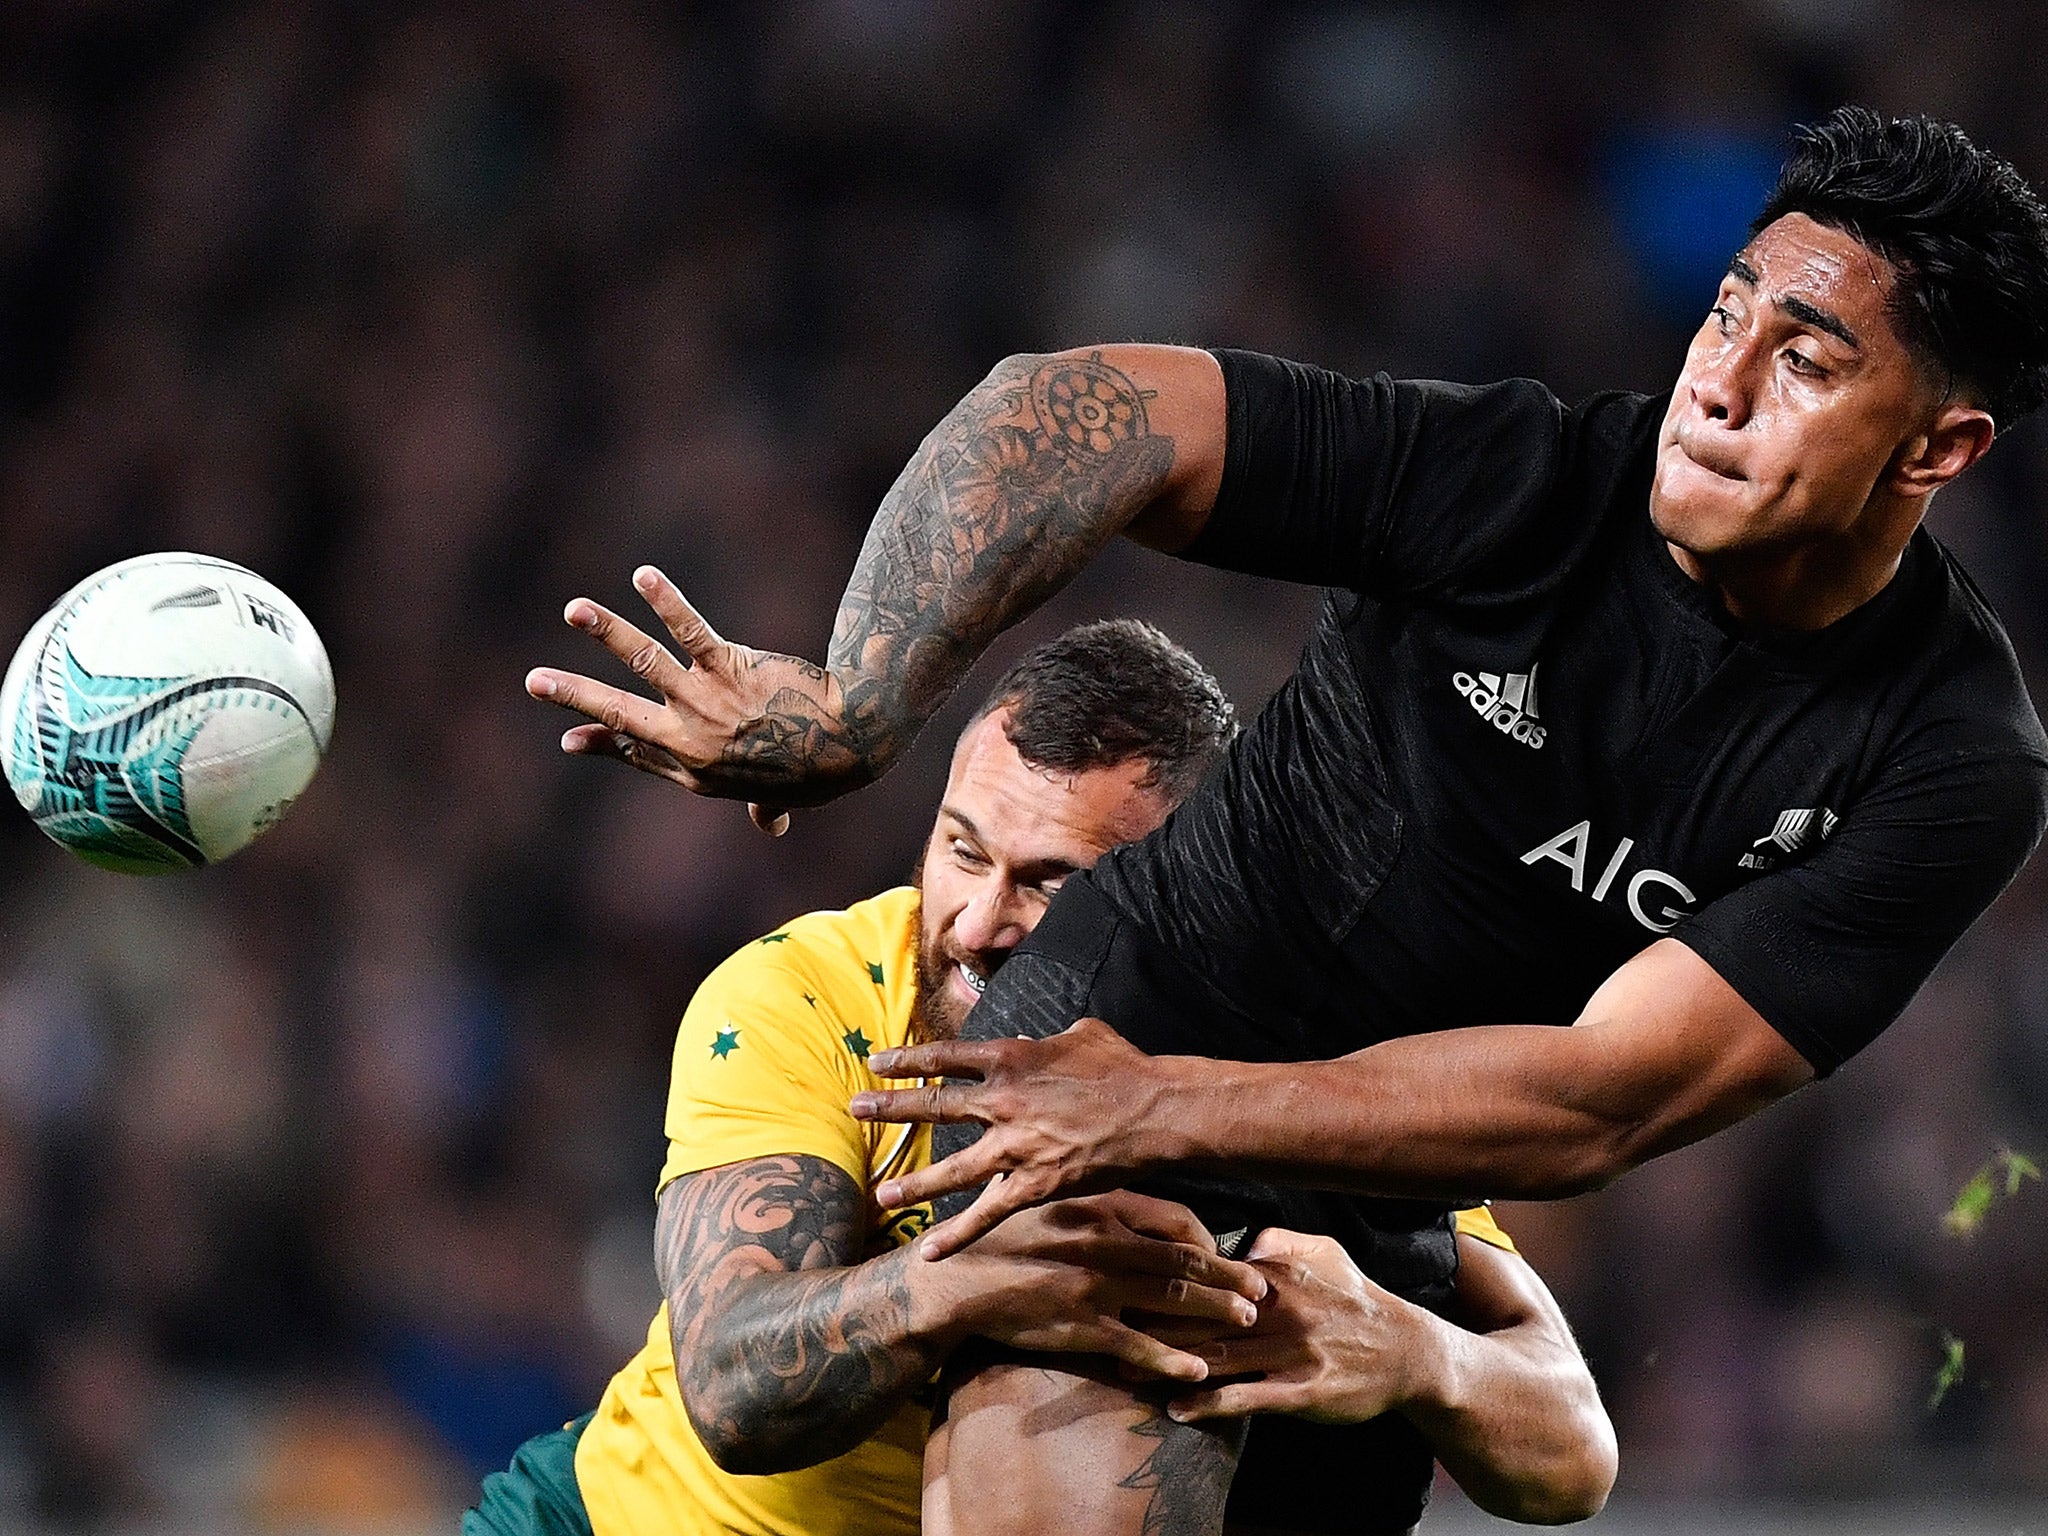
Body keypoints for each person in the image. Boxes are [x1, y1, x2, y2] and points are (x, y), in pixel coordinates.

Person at [525, 107, 2048, 1528]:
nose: (1716, 379)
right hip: (1121, 1041)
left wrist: (1202, 1129)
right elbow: (1075, 406)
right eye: (1727, 310)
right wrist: (866, 695)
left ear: (1938, 447)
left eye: (1809, 358)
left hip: (1368, 1186)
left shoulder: (1947, 760)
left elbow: (1601, 1101)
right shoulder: (1520, 481)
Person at [483, 621, 1614, 1536]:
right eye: (962, 849)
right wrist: (971, 1286)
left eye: (1052, 886)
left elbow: (1571, 1450)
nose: (976, 924)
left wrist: (1413, 1355)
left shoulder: (1275, 1073)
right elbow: (731, 1383)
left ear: (1191, 892)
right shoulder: (807, 996)